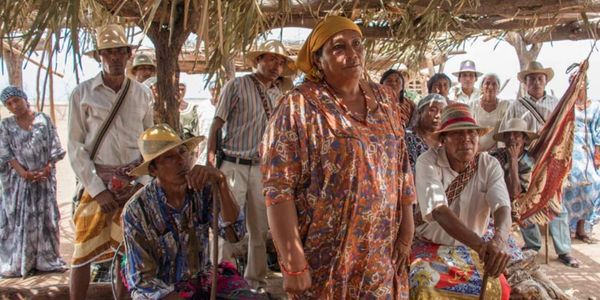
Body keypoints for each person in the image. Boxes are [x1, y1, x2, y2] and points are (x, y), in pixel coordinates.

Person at [262, 16, 415, 298]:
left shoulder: (386, 99)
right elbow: (278, 187)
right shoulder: (298, 105)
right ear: (318, 60)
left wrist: (407, 227)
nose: (352, 53)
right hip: (326, 255)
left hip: (380, 250)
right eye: (339, 47)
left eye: (357, 44)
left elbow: (401, 165)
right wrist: (292, 260)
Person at [68, 24, 154, 299]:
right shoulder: (82, 93)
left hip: (131, 186)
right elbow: (75, 146)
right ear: (98, 57)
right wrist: (98, 189)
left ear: (129, 54)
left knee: (125, 251)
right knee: (82, 253)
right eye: (108, 52)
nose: (115, 57)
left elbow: (148, 144)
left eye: (120, 51)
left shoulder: (142, 94)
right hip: (96, 186)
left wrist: (140, 182)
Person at [206, 39, 295, 290]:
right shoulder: (236, 85)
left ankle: (255, 282)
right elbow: (216, 124)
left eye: (280, 62)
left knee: (260, 229)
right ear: (258, 60)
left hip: (262, 168)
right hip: (232, 164)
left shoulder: (280, 95)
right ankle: (222, 281)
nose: (276, 65)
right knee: (225, 225)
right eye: (271, 59)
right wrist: (210, 162)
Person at [122, 124, 246, 299]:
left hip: (202, 280)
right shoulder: (137, 210)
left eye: (182, 152)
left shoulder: (204, 190)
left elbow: (236, 234)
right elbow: (143, 282)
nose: (181, 161)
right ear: (153, 170)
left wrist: (222, 183)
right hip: (162, 290)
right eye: (168, 157)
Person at [410, 103, 511, 299]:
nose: (466, 139)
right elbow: (439, 210)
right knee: (423, 285)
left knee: (500, 290)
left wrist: (499, 241)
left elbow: (502, 206)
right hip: (432, 244)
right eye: (457, 134)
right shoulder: (427, 162)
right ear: (443, 140)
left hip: (471, 248)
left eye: (471, 133)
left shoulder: (489, 165)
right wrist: (482, 246)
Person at [499, 61, 580, 268]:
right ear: (525, 83)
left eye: (540, 79)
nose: (536, 82)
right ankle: (532, 244)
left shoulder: (556, 104)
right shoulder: (515, 106)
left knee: (555, 202)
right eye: (532, 79)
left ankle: (564, 250)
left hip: (549, 161)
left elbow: (565, 132)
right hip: (523, 158)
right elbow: (506, 133)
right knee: (524, 200)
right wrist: (510, 158)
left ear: (545, 81)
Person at [0, 86, 66, 278]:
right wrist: (24, 173)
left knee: (46, 218)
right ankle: (22, 261)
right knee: (22, 220)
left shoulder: (43, 119)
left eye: (16, 100)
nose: (14, 105)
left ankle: (46, 260)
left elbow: (54, 145)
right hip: (20, 182)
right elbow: (5, 154)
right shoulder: (6, 125)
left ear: (24, 98)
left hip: (44, 179)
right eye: (8, 103)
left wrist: (47, 168)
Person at [563, 72, 600, 243]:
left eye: (579, 81)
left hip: (587, 149)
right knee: (570, 185)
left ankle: (582, 227)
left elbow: (598, 130)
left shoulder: (595, 107)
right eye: (573, 82)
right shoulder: (566, 105)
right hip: (570, 149)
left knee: (593, 185)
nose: (577, 85)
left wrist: (597, 154)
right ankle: (569, 228)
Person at [405, 93, 447, 172]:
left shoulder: (447, 139)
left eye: (442, 111)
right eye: (433, 110)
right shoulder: (409, 137)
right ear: (420, 112)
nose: (438, 115)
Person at [471, 73, 510, 151]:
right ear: (482, 87)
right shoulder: (473, 104)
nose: (490, 87)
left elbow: (506, 129)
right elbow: (469, 129)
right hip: (475, 149)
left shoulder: (505, 104)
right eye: (487, 83)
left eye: (494, 84)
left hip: (497, 151)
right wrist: (475, 148)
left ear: (499, 88)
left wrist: (496, 149)